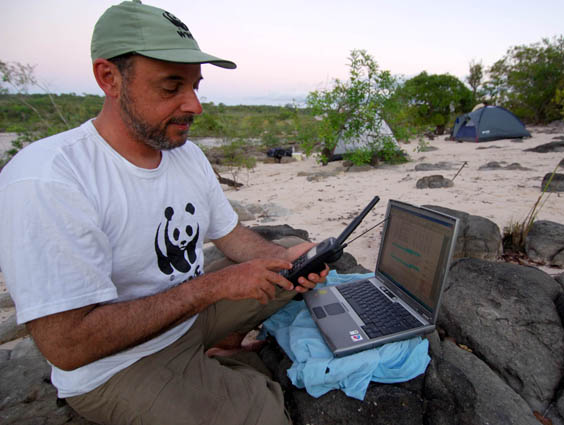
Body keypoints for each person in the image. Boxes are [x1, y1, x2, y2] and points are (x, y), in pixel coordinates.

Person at [0, 1, 328, 424]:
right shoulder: (49, 179)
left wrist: (291, 260)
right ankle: (224, 366)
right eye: (171, 87)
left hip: (187, 318)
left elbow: (230, 236)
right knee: (264, 414)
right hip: (117, 365)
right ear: (109, 78)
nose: (195, 105)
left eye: (196, 86)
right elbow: (68, 346)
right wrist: (214, 287)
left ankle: (221, 347)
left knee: (287, 253)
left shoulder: (184, 155)